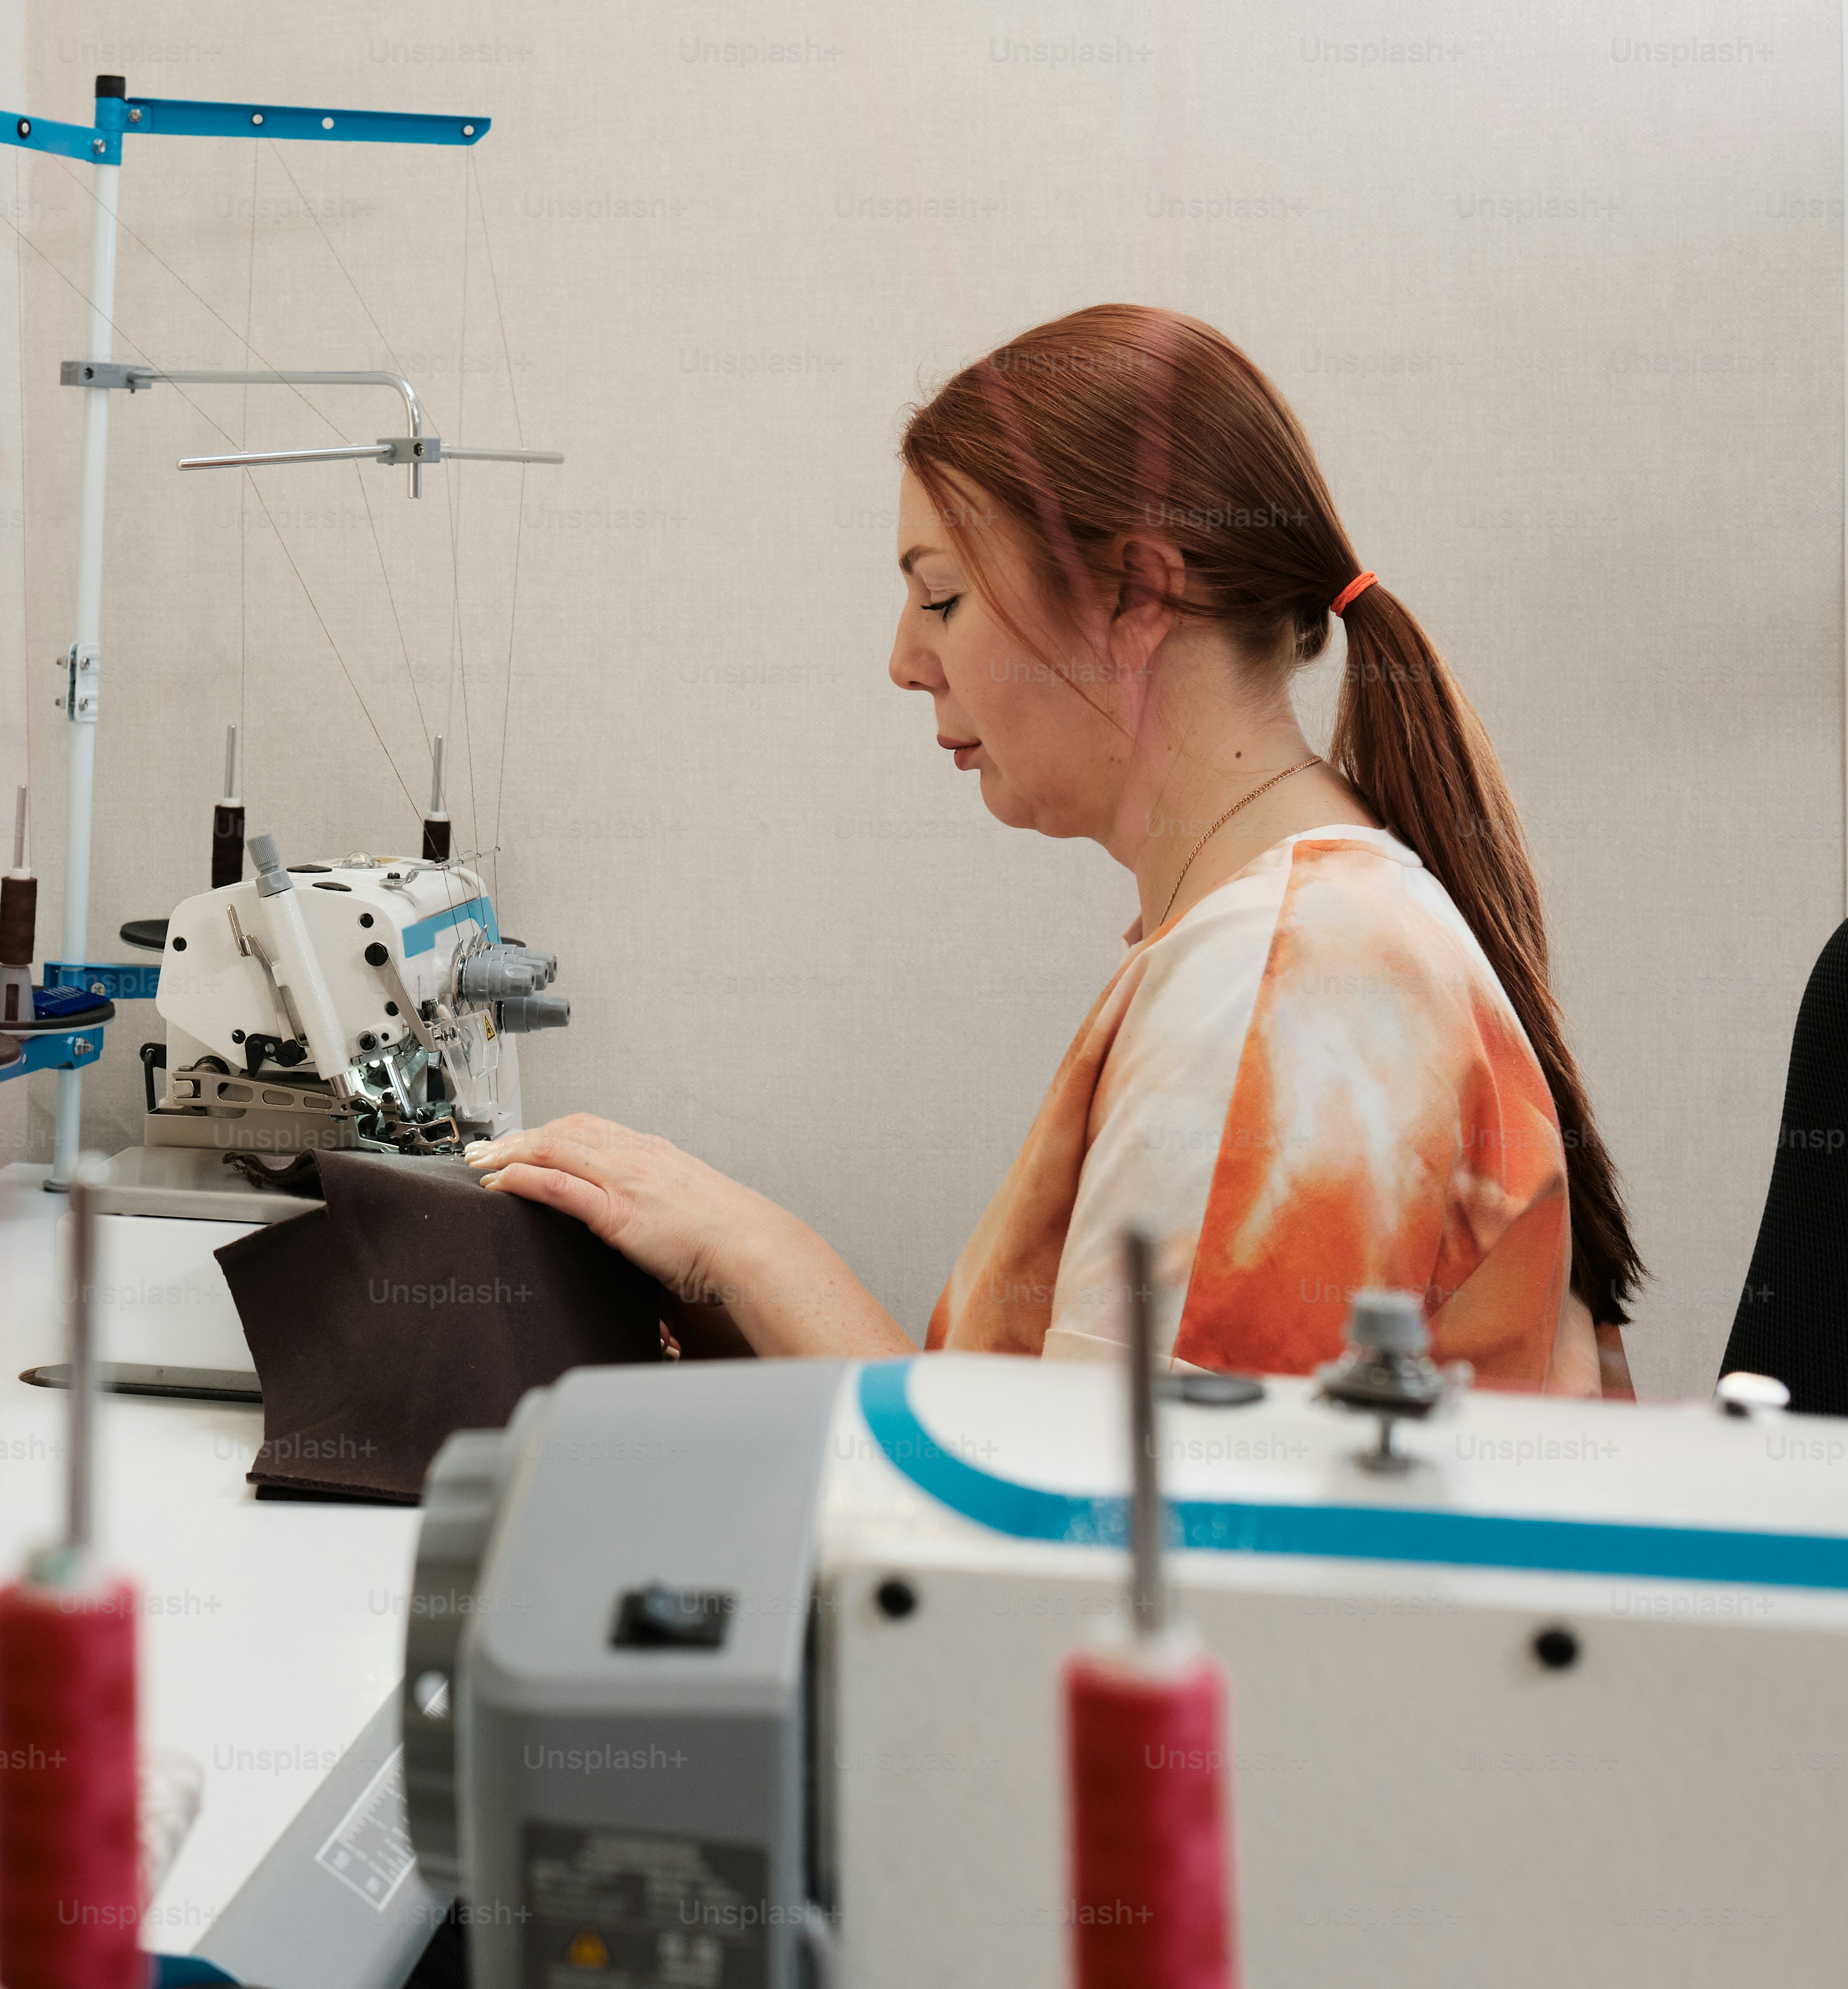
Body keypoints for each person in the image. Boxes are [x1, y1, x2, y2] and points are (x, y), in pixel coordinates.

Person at [467, 304, 1637, 1395]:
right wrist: (708, 1280)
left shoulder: (1291, 988)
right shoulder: (1272, 941)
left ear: (1136, 597)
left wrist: (756, 1252)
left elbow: (1101, 1547)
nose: (903, 661)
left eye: (939, 600)